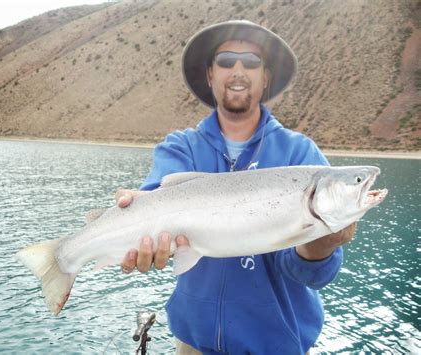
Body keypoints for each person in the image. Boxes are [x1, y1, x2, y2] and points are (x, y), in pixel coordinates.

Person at [115, 20, 356, 354]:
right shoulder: (180, 147)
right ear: (211, 75)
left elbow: (313, 276)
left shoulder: (301, 156)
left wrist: (322, 243)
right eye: (226, 61)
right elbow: (155, 197)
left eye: (252, 62)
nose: (239, 70)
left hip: (277, 346)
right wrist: (136, 214)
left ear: (266, 76)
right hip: (193, 344)